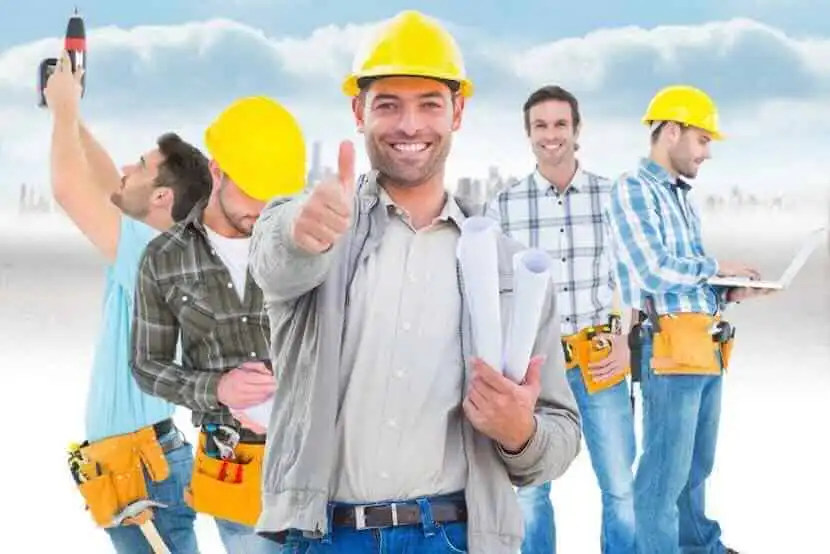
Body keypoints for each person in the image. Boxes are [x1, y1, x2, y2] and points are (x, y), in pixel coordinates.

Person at [248, 10, 583, 554]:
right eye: (388, 105)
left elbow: (561, 436)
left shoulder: (510, 270)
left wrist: (520, 432)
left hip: (452, 537)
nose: (410, 126)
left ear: (459, 112)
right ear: (358, 112)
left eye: (429, 104)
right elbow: (276, 261)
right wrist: (300, 231)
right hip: (323, 537)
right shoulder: (318, 223)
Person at [44, 51, 212, 553]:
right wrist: (72, 115)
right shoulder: (161, 245)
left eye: (140, 166)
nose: (125, 168)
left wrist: (64, 113)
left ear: (162, 196)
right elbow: (103, 183)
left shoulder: (151, 253)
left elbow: (71, 189)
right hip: (138, 465)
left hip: (143, 473)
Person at [129, 95, 307, 554]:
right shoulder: (164, 259)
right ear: (217, 171)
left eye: (277, 192)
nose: (265, 206)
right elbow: (148, 365)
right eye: (253, 189)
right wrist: (218, 391)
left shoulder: (305, 243)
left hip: (320, 456)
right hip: (236, 466)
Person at [604, 85, 774, 554]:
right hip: (669, 350)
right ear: (672, 132)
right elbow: (651, 269)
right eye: (702, 139)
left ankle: (702, 547)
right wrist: (716, 268)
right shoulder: (633, 189)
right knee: (662, 476)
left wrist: (728, 290)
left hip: (705, 345)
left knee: (696, 468)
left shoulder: (681, 197)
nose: (707, 152)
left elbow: (690, 281)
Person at [486, 85, 637, 554]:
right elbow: (495, 294)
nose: (551, 136)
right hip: (535, 366)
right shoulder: (504, 206)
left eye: (560, 125)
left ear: (577, 130)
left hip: (599, 361)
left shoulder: (611, 196)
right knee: (531, 492)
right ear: (529, 134)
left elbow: (629, 276)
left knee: (621, 488)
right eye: (541, 126)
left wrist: (625, 338)